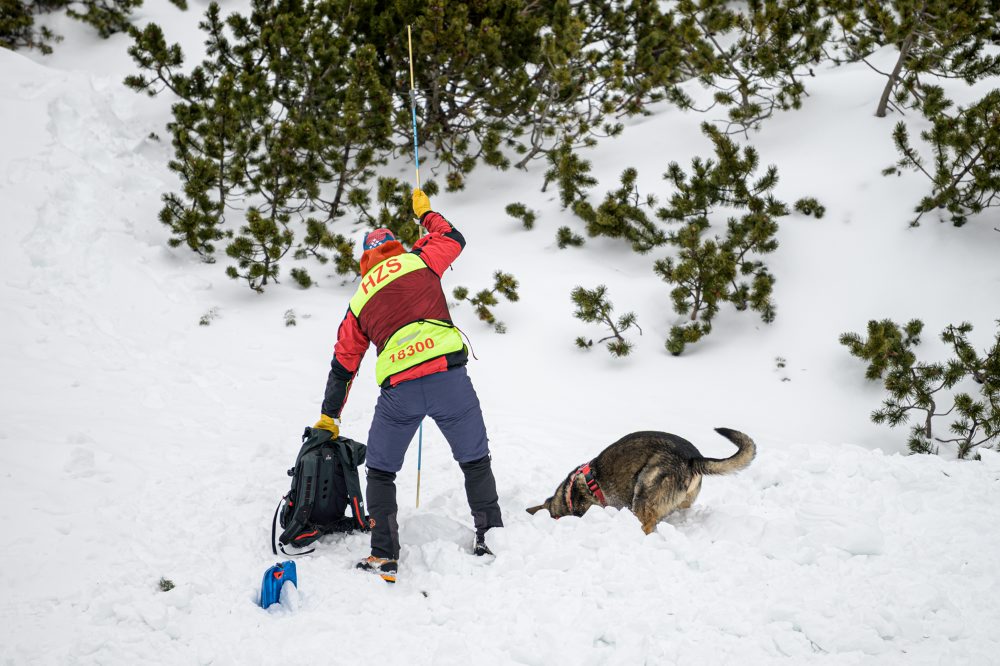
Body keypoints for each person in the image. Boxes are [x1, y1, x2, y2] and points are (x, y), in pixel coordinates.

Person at [314, 188, 503, 583]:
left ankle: (384, 555)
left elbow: (343, 363)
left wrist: (329, 417)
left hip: (399, 391)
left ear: (366, 260)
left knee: (381, 471)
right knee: (474, 460)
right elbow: (454, 238)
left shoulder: (360, 297)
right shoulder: (419, 259)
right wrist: (426, 213)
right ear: (395, 248)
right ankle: (491, 537)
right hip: (448, 378)